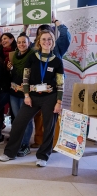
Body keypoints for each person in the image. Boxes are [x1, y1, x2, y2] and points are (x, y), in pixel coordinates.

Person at [0, 29, 64, 167]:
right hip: (32, 97)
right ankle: (10, 153)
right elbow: (25, 78)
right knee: (18, 123)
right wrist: (27, 95)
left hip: (50, 98)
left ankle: (43, 156)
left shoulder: (57, 61)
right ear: (39, 42)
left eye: (49, 39)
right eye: (44, 39)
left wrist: (58, 102)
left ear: (52, 42)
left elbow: (60, 84)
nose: (46, 42)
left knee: (49, 126)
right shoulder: (32, 57)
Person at [29, 16, 71, 148]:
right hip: (37, 89)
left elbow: (65, 35)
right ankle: (39, 140)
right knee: (38, 116)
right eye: (41, 35)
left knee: (53, 117)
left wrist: (56, 21)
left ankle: (54, 143)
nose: (45, 39)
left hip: (54, 89)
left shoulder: (57, 48)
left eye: (48, 34)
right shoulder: (34, 50)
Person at [7, 33, 35, 157]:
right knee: (18, 119)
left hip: (27, 93)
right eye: (19, 42)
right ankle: (18, 142)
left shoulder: (33, 56)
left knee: (27, 119)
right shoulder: (14, 56)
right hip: (14, 92)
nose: (22, 44)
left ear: (29, 43)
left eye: (24, 42)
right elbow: (13, 74)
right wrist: (10, 68)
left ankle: (25, 145)